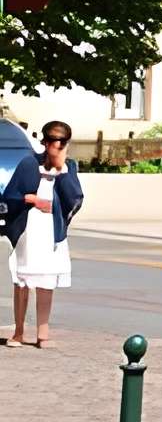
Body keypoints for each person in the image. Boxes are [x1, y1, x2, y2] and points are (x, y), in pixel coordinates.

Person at [5, 121, 83, 348]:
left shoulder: (68, 167)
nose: (60, 148)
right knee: (22, 280)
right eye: (56, 143)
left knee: (46, 281)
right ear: (46, 143)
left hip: (51, 231)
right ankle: (19, 332)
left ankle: (43, 334)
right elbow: (11, 194)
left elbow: (75, 198)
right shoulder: (30, 164)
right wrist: (32, 199)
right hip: (29, 228)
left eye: (63, 144)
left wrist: (61, 169)